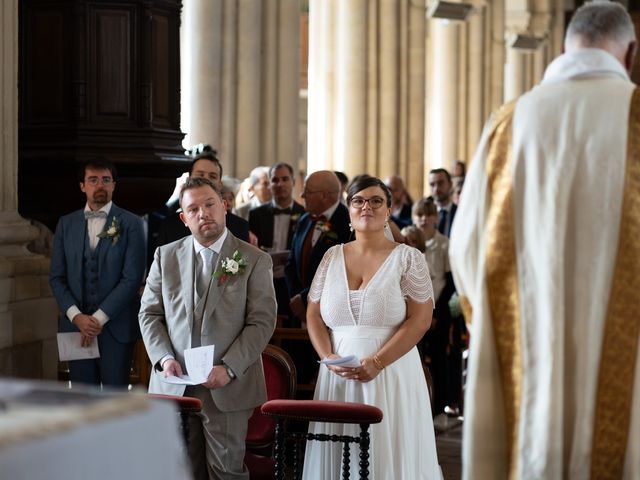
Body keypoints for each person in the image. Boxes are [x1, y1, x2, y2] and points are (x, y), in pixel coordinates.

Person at [449, 3, 640, 479]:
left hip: (529, 348)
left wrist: (500, 318)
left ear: (562, 47)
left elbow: (466, 248)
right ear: (631, 53)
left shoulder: (509, 124)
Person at [303, 176, 442, 479]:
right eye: (358, 201)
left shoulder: (408, 258)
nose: (367, 206)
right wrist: (327, 357)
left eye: (376, 200)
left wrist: (378, 362)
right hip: (337, 376)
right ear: (349, 210)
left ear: (389, 210)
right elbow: (313, 314)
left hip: (391, 373)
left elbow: (420, 319)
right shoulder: (331, 256)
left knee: (386, 455)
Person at [139, 176, 276, 479]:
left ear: (225, 206)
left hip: (227, 386)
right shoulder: (165, 256)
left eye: (210, 204)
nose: (203, 213)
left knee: (225, 471)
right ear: (183, 218)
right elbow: (149, 314)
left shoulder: (253, 259)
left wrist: (228, 368)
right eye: (193, 209)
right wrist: (164, 358)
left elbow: (262, 322)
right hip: (175, 386)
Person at [49, 158, 146, 387]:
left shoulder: (131, 223)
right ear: (82, 185)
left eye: (106, 180)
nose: (100, 185)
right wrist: (77, 317)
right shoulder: (66, 223)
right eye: (93, 180)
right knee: (82, 398)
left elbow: (132, 278)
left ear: (114, 185)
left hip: (116, 327)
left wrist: (98, 319)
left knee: (115, 401)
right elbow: (56, 277)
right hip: (75, 326)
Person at [285, 170, 351, 323]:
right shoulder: (304, 220)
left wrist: (306, 298)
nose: (301, 196)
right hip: (298, 311)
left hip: (330, 312)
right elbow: (291, 264)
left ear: (325, 195)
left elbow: (341, 271)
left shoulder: (347, 223)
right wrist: (296, 299)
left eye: (307, 191)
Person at [156, 151, 250, 246]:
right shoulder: (169, 226)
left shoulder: (240, 226)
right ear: (189, 179)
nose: (205, 179)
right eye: (200, 175)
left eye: (212, 176)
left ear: (220, 184)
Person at [249, 162, 305, 316]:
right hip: (263, 281)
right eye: (275, 180)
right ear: (270, 184)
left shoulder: (304, 215)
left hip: (292, 284)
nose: (279, 184)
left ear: (293, 182)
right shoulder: (256, 214)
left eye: (285, 179)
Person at [428, 168, 456, 237]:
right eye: (432, 184)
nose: (436, 188)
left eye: (440, 183)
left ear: (450, 184)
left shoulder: (459, 213)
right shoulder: (423, 215)